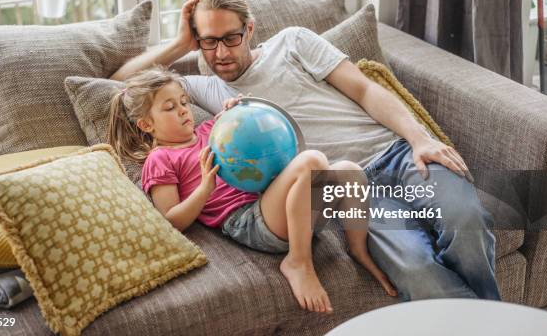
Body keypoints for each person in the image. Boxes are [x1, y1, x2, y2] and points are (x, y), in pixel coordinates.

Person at [111, 0, 501, 301]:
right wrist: (182, 42)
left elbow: (365, 89)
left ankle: (494, 325)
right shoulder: (206, 90)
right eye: (208, 42)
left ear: (249, 29)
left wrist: (419, 139)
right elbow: (122, 81)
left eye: (230, 37)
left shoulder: (293, 42)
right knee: (418, 272)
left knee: (465, 225)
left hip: (398, 152)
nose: (221, 53)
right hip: (350, 187)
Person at [107, 68, 397, 314]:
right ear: (146, 125)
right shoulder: (161, 160)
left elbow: (257, 140)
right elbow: (170, 221)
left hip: (281, 208)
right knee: (313, 161)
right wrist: (206, 188)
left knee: (351, 170)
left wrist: (241, 114)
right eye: (170, 107)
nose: (183, 110)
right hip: (250, 222)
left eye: (183, 101)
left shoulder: (212, 129)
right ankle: (298, 261)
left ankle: (358, 249)